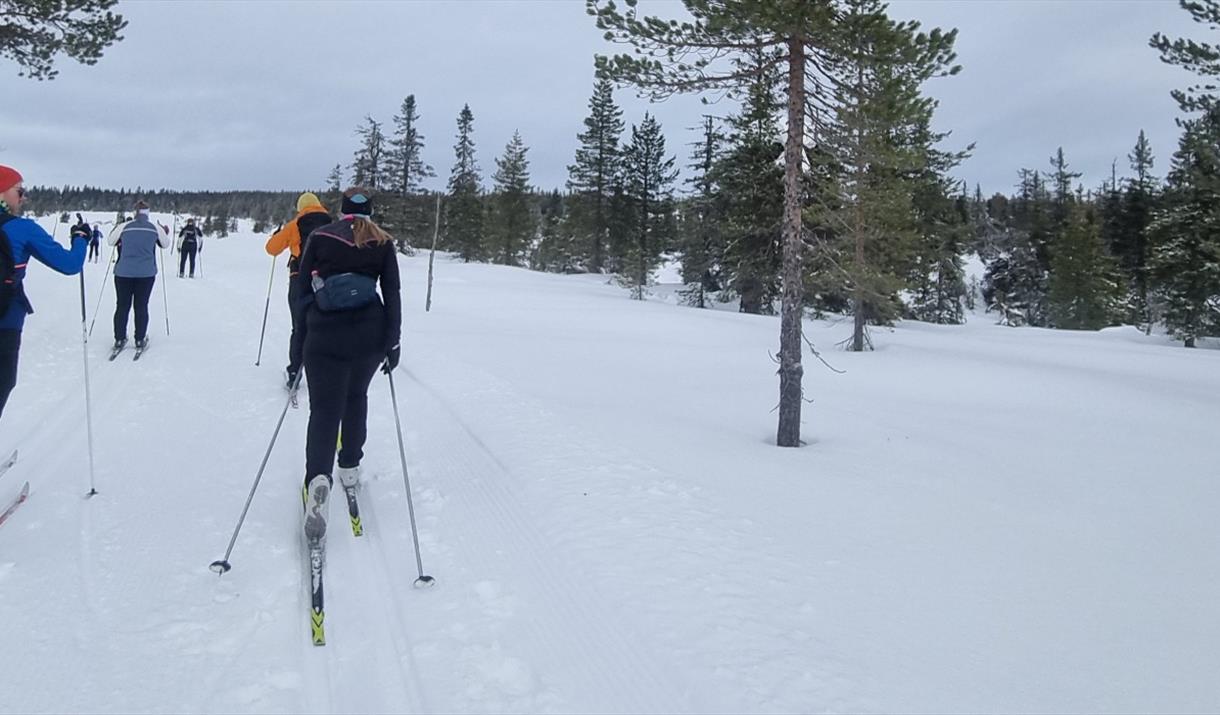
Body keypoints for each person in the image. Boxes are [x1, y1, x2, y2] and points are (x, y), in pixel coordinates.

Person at [296, 188, 400, 540]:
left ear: (340, 211)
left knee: (324, 410)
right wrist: (392, 340)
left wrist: (306, 324)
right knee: (356, 397)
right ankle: (351, 467)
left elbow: (301, 288)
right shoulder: (382, 241)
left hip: (325, 334)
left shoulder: (321, 236)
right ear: (370, 211)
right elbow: (393, 292)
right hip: (369, 334)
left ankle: (318, 480)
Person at [0, 165, 87, 420]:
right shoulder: (22, 228)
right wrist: (80, 237)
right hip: (5, 321)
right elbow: (70, 265)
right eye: (19, 190)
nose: (24, 197)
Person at [266, 192, 331, 390]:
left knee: (299, 326)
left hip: (300, 279)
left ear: (300, 207)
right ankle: (323, 369)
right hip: (325, 281)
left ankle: (295, 371)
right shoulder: (331, 223)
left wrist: (279, 235)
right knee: (323, 325)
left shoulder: (295, 224)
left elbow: (272, 249)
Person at [108, 200, 169, 353]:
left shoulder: (124, 227)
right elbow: (166, 244)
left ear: (134, 212)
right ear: (148, 212)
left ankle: (119, 338)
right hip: (146, 274)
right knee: (141, 306)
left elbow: (110, 241)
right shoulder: (155, 228)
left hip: (123, 273)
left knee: (122, 305)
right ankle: (140, 338)